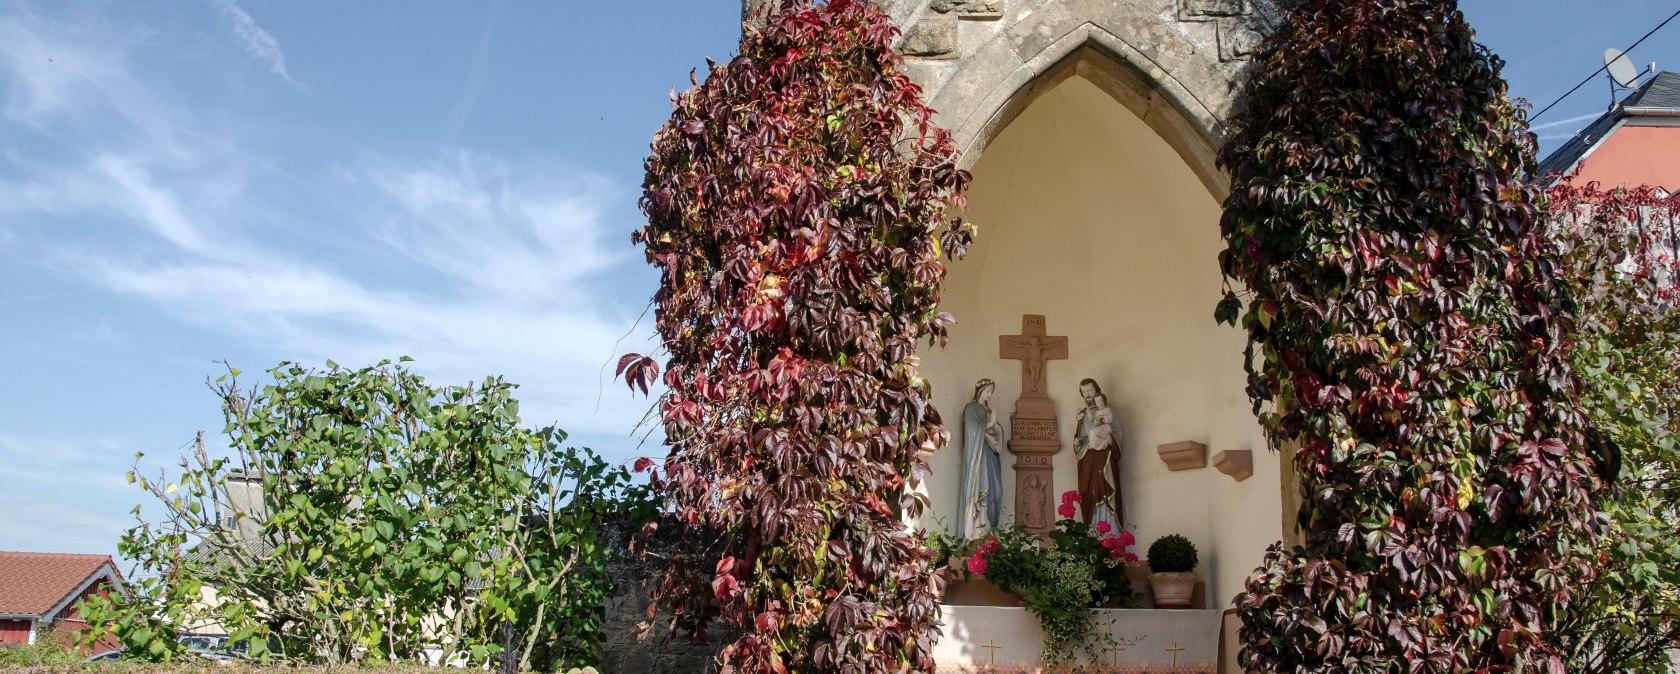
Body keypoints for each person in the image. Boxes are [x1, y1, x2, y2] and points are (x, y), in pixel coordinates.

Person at [1074, 378, 1124, 529]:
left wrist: (1108, 439)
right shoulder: (1082, 415)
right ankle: (1092, 533)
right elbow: (1080, 437)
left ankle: (1112, 534)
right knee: (1089, 493)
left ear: (1097, 390)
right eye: (1084, 392)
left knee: (1104, 487)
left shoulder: (1108, 409)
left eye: (1090, 390)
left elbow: (1118, 434)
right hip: (1088, 460)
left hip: (1104, 458)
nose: (1088, 394)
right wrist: (1077, 444)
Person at [958, 378, 1004, 539]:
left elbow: (997, 434)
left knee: (995, 490)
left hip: (991, 455)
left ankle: (989, 528)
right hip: (979, 456)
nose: (990, 395)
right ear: (980, 391)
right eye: (988, 391)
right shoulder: (971, 408)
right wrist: (990, 424)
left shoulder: (988, 411)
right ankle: (977, 530)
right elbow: (972, 429)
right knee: (981, 488)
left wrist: (996, 427)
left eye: (992, 392)